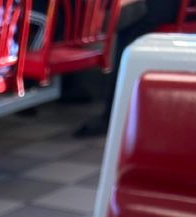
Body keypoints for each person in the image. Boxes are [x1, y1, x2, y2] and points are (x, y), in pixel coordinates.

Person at [75, 0, 180, 137]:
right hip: (191, 8)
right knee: (126, 16)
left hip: (161, 8)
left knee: (130, 22)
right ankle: (116, 109)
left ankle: (113, 114)